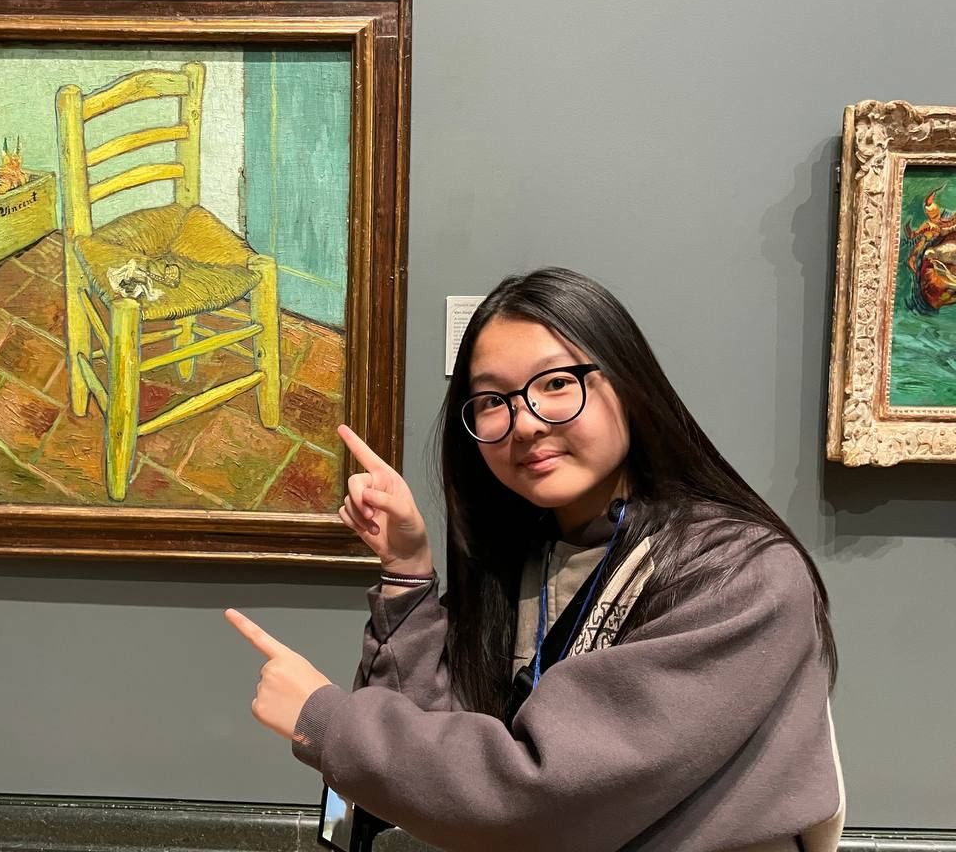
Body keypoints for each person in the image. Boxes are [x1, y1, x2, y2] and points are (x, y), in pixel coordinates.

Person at [226, 267, 845, 852]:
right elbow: (431, 754)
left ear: (630, 384)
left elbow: (541, 797)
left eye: (556, 383)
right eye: (492, 400)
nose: (523, 424)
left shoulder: (737, 573)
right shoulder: (528, 557)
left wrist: (324, 722)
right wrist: (407, 569)